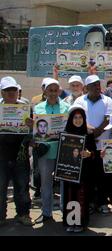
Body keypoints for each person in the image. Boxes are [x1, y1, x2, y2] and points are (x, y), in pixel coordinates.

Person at [74, 75, 112, 214]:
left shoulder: (107, 100)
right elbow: (78, 119)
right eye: (93, 85)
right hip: (86, 147)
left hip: (103, 146)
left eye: (98, 84)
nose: (97, 87)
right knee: (88, 177)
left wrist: (94, 134)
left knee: (103, 176)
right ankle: (90, 203)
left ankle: (102, 202)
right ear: (86, 88)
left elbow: (108, 121)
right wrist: (91, 135)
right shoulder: (80, 100)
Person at [32, 78, 70, 224]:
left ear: (59, 91)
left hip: (63, 150)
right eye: (50, 90)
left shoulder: (67, 107)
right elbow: (36, 130)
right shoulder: (38, 108)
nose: (53, 93)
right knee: (45, 183)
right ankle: (46, 213)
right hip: (45, 151)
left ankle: (65, 213)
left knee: (64, 183)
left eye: (56, 90)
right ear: (44, 91)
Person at [0, 77, 34, 227]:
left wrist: (32, 126)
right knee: (0, 186)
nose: (11, 93)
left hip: (20, 154)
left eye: (14, 90)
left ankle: (23, 214)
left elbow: (35, 132)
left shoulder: (25, 107)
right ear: (2, 92)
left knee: (22, 186)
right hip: (1, 155)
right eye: (8, 91)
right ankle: (1, 216)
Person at [62, 104, 96, 233]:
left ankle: (81, 223)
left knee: (81, 196)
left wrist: (89, 154)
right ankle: (71, 222)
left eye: (80, 117)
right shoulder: (65, 134)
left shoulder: (88, 134)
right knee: (70, 196)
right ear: (71, 118)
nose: (77, 120)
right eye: (75, 117)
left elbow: (94, 153)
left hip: (84, 172)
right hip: (69, 171)